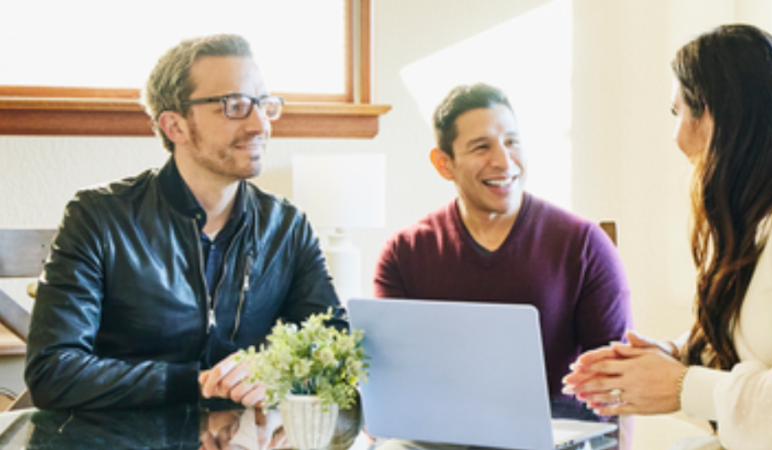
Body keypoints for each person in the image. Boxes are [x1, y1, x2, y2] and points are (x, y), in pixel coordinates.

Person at [563, 24, 772, 449]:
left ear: (728, 113)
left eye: (683, 112)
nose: (678, 137)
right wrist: (679, 355)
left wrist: (683, 385)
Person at [25, 34, 345, 410]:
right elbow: (53, 371)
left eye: (262, 104)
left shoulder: (287, 226)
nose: (260, 125)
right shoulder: (98, 217)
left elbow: (335, 348)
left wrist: (273, 371)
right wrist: (197, 383)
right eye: (235, 105)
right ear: (174, 126)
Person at [374, 83, 632, 420]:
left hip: (556, 436)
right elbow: (389, 379)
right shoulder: (404, 253)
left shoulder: (584, 244)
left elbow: (618, 387)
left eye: (512, 142)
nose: (503, 161)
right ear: (443, 164)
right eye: (481, 147)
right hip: (444, 436)